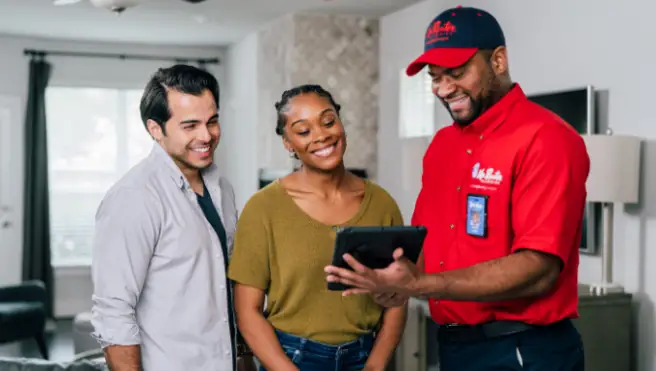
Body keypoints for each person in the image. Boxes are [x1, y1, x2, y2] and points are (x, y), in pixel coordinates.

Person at [325, 6, 589, 371]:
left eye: (457, 72)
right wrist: (392, 281)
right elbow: (428, 246)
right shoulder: (442, 146)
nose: (444, 88)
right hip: (454, 345)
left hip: (521, 349)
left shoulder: (546, 138)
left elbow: (540, 269)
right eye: (435, 76)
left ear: (498, 61)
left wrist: (422, 284)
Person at [227, 84, 407, 371]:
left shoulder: (382, 205)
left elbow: (398, 297)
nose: (321, 136)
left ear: (340, 121)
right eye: (303, 131)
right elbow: (247, 311)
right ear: (288, 143)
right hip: (289, 357)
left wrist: (375, 365)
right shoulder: (263, 208)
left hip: (364, 355)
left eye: (327, 121)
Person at [90, 64, 256, 371]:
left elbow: (227, 285)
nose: (206, 135)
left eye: (213, 121)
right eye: (190, 125)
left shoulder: (223, 188)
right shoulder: (134, 197)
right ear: (155, 129)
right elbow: (113, 311)